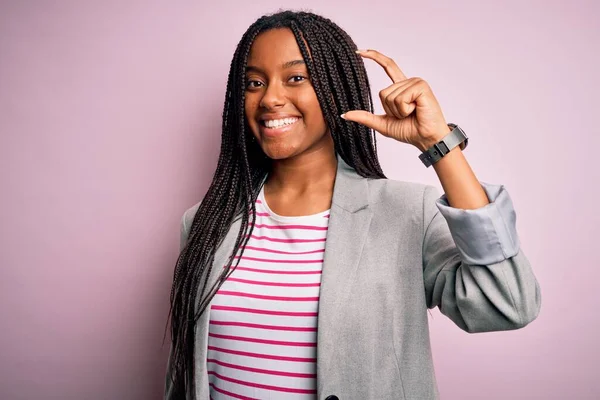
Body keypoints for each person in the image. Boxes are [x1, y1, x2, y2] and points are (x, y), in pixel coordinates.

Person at [163, 10, 542, 400]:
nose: (270, 98)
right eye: (254, 83)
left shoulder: (409, 213)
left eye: (296, 77)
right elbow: (185, 374)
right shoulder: (207, 221)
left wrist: (438, 143)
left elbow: (507, 304)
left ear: (335, 87)